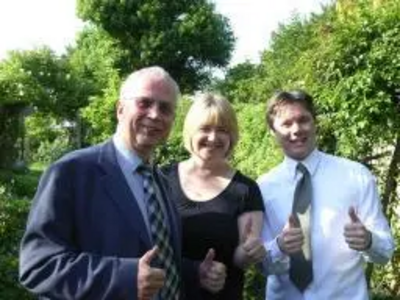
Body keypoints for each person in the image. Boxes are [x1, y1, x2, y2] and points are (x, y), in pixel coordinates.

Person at [19, 66, 222, 300]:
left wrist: (195, 271)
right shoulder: (71, 172)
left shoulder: (161, 182)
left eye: (165, 108)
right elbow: (38, 266)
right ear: (120, 109)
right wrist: (123, 277)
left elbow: (154, 257)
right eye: (144, 103)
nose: (155, 115)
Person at [258, 90, 395, 299]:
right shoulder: (262, 187)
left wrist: (368, 241)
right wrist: (279, 247)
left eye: (303, 120)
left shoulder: (356, 175)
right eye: (286, 124)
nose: (296, 129)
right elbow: (261, 266)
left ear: (315, 123)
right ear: (272, 131)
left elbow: (385, 251)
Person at [162, 93, 266, 299]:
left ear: (232, 136)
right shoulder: (162, 180)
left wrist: (248, 252)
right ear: (190, 132)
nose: (213, 137)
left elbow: (240, 260)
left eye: (222, 130)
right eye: (205, 129)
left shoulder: (246, 189)